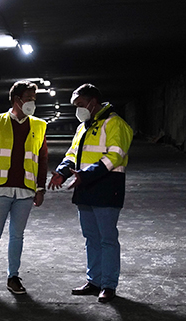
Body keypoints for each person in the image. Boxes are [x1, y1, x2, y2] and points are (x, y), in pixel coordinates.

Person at [48, 84, 133, 303]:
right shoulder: (83, 127)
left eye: (79, 105)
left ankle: (108, 285)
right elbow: (72, 153)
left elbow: (115, 156)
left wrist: (86, 174)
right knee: (91, 238)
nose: (77, 109)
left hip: (106, 188)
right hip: (84, 188)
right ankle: (94, 281)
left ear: (92, 102)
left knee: (107, 239)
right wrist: (61, 173)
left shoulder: (116, 124)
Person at [0, 80, 48, 298]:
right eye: (29, 99)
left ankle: (13, 277)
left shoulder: (39, 125)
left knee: (17, 236)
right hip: (0, 189)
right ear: (16, 100)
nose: (32, 104)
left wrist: (41, 188)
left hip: (25, 191)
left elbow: (42, 158)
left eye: (34, 100)